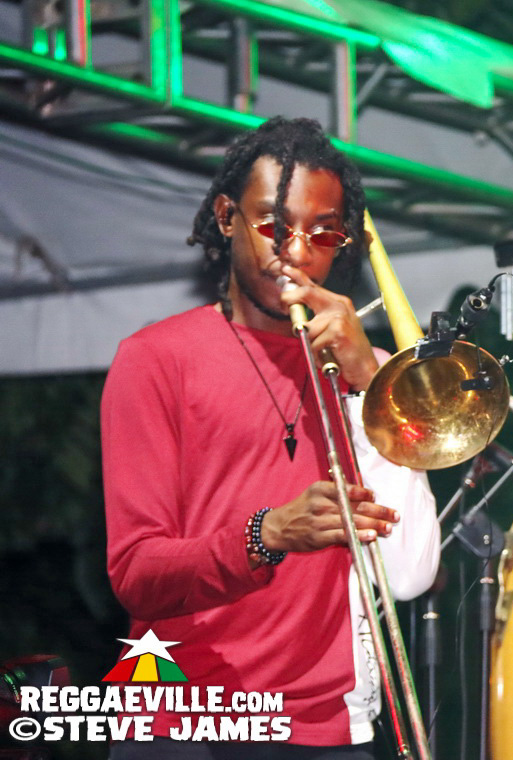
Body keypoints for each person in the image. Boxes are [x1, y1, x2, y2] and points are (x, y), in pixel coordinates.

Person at [102, 117, 440, 758]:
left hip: (328, 729)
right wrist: (267, 535)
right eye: (272, 225)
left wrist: (372, 382)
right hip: (187, 722)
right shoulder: (155, 358)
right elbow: (136, 573)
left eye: (322, 232)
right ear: (227, 218)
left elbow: (411, 575)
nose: (295, 250)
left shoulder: (363, 370)